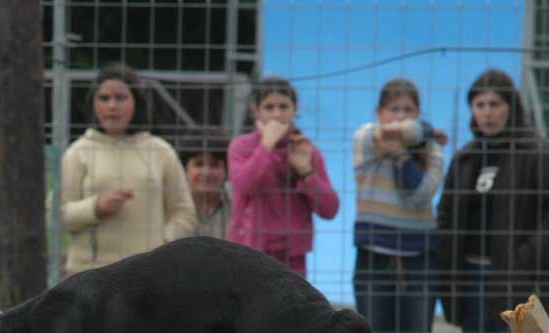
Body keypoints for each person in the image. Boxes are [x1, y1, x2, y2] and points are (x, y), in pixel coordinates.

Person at [436, 69, 549, 333]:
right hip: (469, 280)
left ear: (511, 106)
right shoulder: (465, 158)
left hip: (519, 280)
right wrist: (448, 263)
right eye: (479, 105)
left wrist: (526, 258)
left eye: (495, 104)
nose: (487, 113)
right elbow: (445, 215)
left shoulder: (541, 154)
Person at [59, 63, 197, 275]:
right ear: (93, 103)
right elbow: (57, 216)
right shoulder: (77, 152)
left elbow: (185, 213)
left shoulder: (160, 151)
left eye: (121, 97)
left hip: (148, 275)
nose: (112, 106)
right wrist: (95, 207)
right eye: (104, 98)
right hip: (88, 277)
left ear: (136, 101)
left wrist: (161, 246)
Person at [352, 79, 447, 333]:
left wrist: (400, 155)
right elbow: (386, 134)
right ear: (379, 112)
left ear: (418, 112)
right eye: (394, 109)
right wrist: (425, 130)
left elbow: (419, 195)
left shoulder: (433, 151)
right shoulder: (365, 138)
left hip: (420, 260)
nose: (401, 116)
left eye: (409, 110)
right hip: (374, 257)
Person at [227, 77, 339, 276]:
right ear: (256, 110)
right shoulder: (241, 147)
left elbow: (330, 209)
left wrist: (306, 172)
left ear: (295, 109)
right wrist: (266, 146)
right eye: (269, 107)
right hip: (248, 252)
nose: (277, 114)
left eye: (283, 106)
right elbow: (243, 187)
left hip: (292, 258)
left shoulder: (306, 149)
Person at [176, 127, 232, 240]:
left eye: (214, 165)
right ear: (185, 168)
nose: (206, 173)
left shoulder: (237, 205)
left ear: (226, 169)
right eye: (199, 164)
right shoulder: (172, 205)